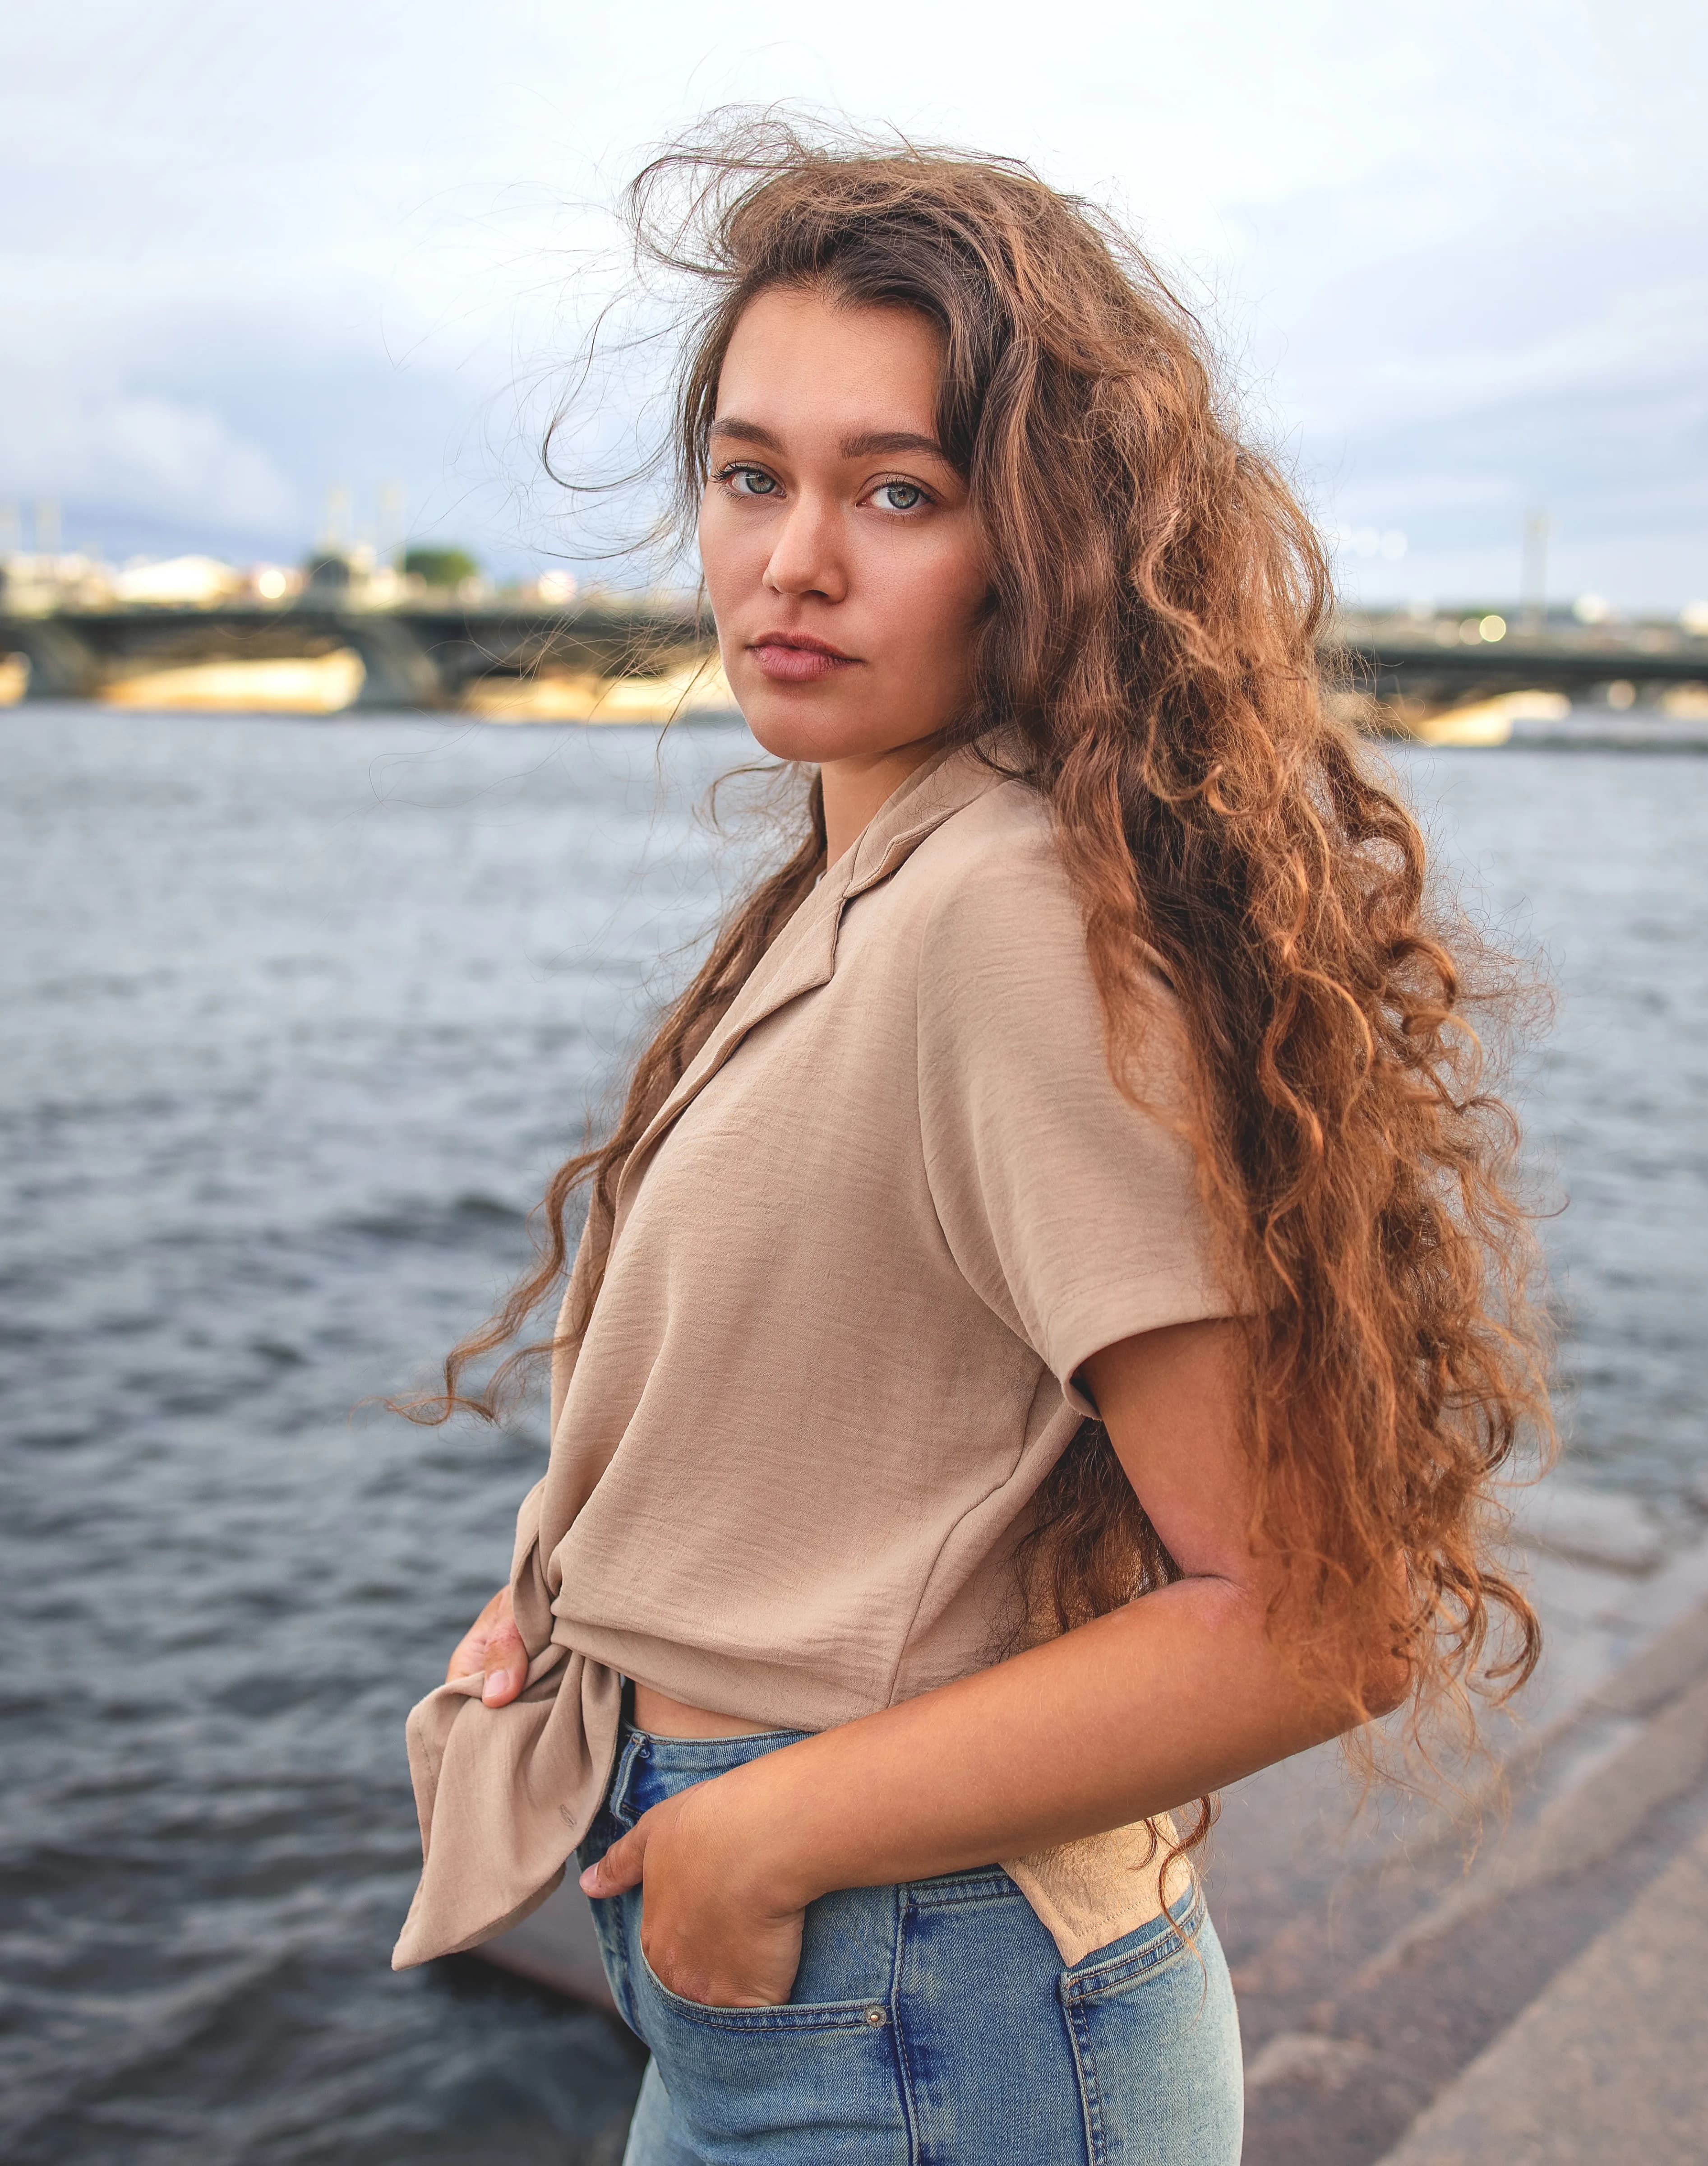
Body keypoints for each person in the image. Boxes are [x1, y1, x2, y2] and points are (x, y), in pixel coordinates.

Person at [392, 121, 1547, 2166]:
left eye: (898, 492)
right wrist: (599, 1610)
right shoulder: (875, 875)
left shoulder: (1001, 916)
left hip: (924, 2010)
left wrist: (757, 1835)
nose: (791, 561)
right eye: (751, 474)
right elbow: (861, 1401)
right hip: (844, 1985)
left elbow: (1315, 1610)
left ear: (1045, 544)